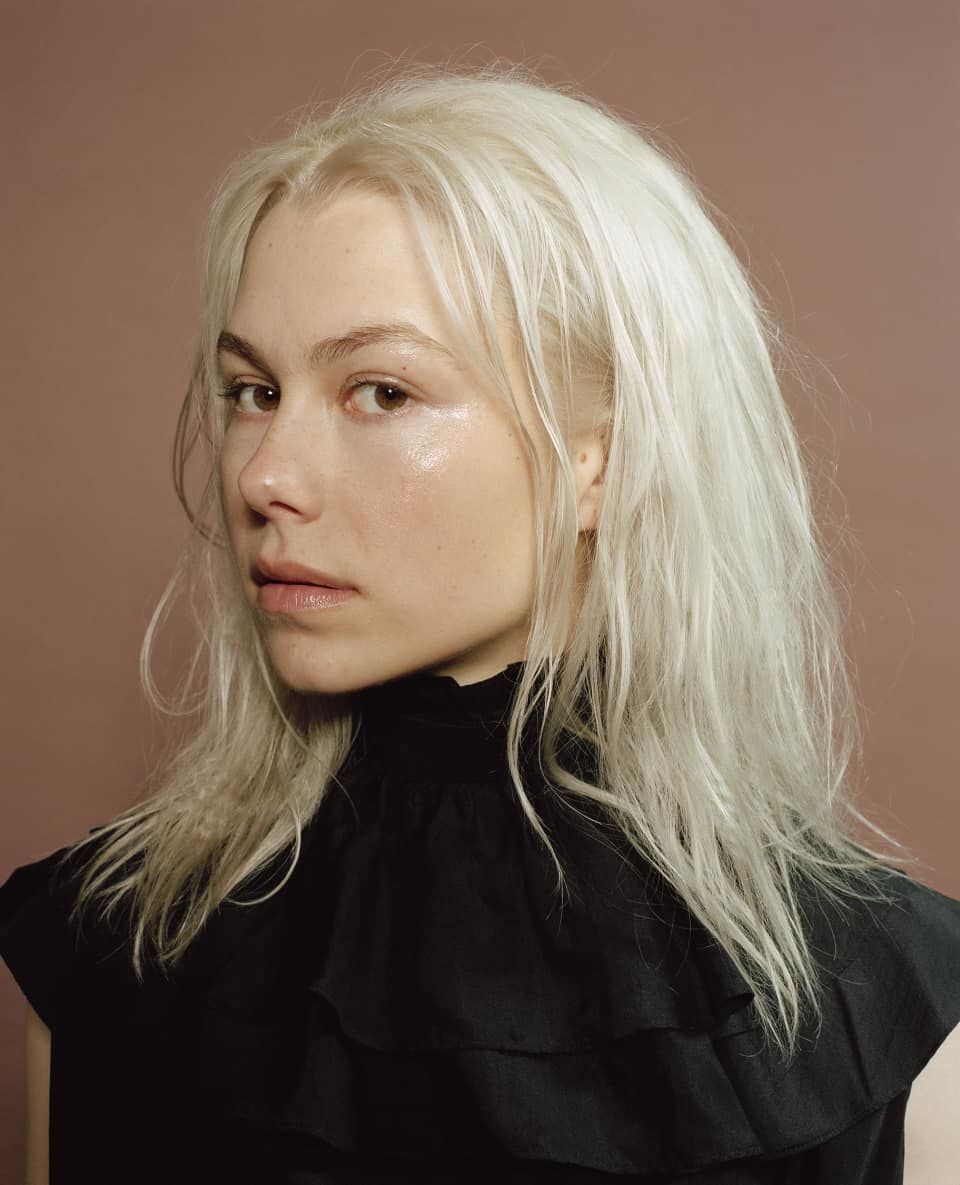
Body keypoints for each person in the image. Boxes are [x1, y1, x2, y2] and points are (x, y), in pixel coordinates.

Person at [2, 59, 958, 1185]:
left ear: (602, 455)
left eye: (382, 392)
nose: (264, 475)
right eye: (252, 392)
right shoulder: (106, 949)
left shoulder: (895, 1016)